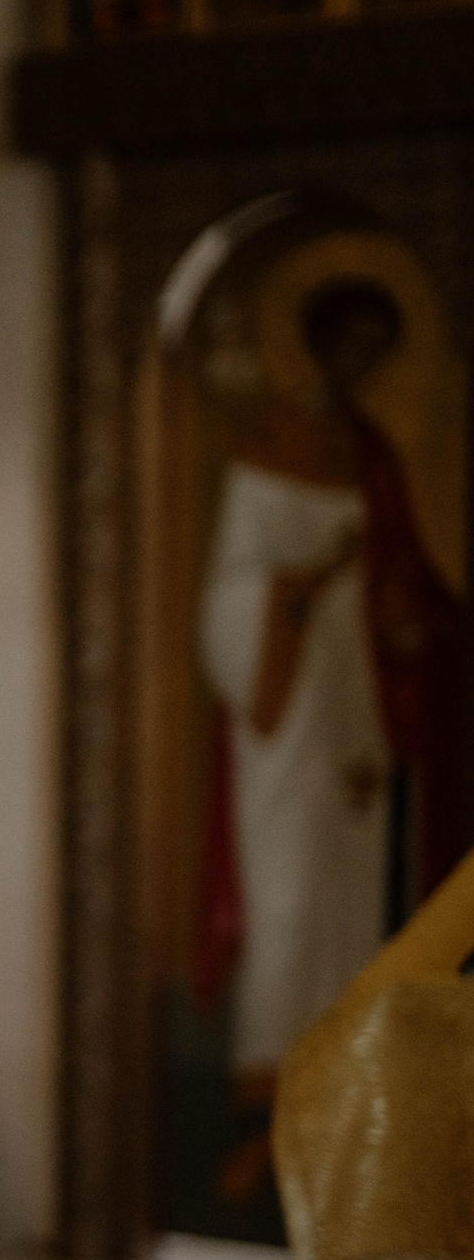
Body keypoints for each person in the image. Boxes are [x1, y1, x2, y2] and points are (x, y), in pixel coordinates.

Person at [197, 274, 474, 1197]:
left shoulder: (375, 458)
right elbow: (229, 590)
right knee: (282, 910)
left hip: (358, 710)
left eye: (374, 351)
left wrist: (404, 625)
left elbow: (406, 579)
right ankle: (260, 1124)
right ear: (313, 345)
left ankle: (340, 1122)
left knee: (351, 909)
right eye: (345, 345)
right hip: (283, 714)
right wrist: (292, 593)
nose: (356, 366)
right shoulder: (263, 446)